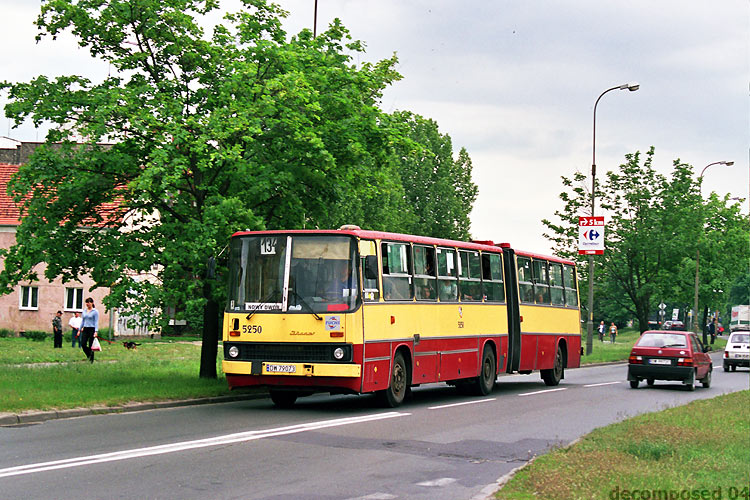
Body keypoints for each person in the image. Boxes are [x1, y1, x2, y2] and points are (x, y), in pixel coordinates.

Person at [80, 297, 100, 363]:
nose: (88, 304)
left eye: (89, 302)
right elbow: (83, 321)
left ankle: (91, 360)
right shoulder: (84, 311)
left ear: (92, 303)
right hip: (85, 328)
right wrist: (79, 329)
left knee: (91, 344)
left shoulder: (95, 312)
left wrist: (96, 331)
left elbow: (96, 321)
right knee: (83, 344)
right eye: (87, 302)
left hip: (92, 329)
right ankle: (89, 355)